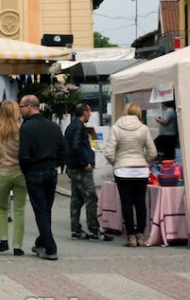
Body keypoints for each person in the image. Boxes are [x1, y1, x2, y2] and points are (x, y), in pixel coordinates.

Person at [18, 95, 66, 260]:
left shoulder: (26, 128)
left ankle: (51, 248)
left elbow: (23, 155)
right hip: (51, 170)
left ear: (29, 107)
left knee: (40, 210)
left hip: (34, 171)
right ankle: (42, 242)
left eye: (21, 107)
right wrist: (56, 164)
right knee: (46, 209)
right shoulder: (53, 126)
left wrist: (26, 170)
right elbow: (63, 150)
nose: (20, 110)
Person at [104, 103, 157, 247]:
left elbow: (108, 152)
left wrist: (117, 162)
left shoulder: (115, 128)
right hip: (141, 170)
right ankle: (141, 234)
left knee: (126, 203)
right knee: (140, 202)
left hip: (122, 170)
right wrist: (142, 159)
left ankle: (131, 236)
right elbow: (153, 152)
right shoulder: (144, 129)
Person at [65, 102, 111, 241]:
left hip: (73, 167)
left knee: (77, 198)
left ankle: (76, 229)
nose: (90, 114)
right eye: (89, 111)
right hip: (81, 168)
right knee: (91, 197)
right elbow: (76, 146)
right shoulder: (79, 127)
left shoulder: (71, 126)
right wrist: (85, 162)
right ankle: (94, 230)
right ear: (84, 112)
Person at [0, 101, 27, 256]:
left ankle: (3, 240)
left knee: (2, 208)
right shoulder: (22, 130)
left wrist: (0, 160)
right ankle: (17, 245)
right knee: (19, 210)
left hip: (3, 171)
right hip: (20, 172)